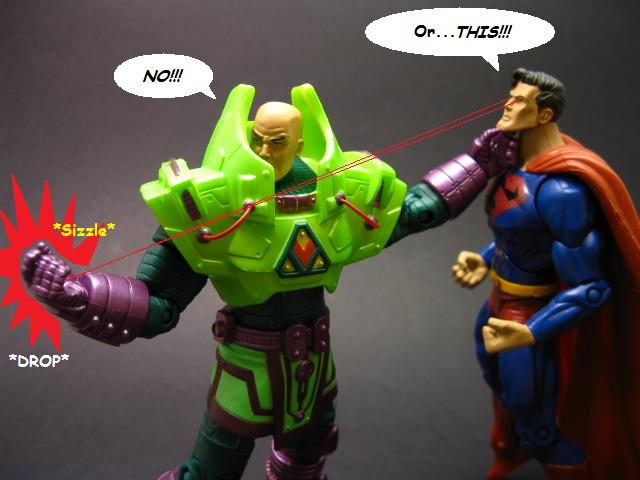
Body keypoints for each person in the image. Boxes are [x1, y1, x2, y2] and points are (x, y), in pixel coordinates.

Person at [21, 83, 515, 480]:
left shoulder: (338, 195)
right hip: (246, 370)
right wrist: (79, 296)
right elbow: (158, 304)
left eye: (276, 142)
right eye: (257, 138)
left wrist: (478, 165)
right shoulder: (216, 206)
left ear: (299, 144)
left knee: (306, 461)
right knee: (208, 472)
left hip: (314, 370)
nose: (263, 150)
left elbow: (415, 211)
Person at [450, 69, 640, 479]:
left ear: (544, 115)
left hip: (528, 312)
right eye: (510, 96)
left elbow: (592, 288)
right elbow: (521, 237)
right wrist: (485, 259)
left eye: (519, 100)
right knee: (501, 387)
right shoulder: (516, 164)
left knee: (535, 420)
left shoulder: (562, 192)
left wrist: (532, 330)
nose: (508, 105)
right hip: (498, 303)